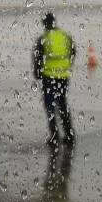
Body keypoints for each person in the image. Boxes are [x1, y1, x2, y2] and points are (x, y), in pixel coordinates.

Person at [32, 12, 76, 146]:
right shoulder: (65, 36)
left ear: (45, 23)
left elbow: (38, 58)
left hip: (49, 77)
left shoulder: (44, 38)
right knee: (63, 105)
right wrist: (67, 66)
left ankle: (55, 137)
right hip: (63, 77)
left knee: (50, 107)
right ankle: (69, 135)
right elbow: (73, 52)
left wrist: (37, 73)